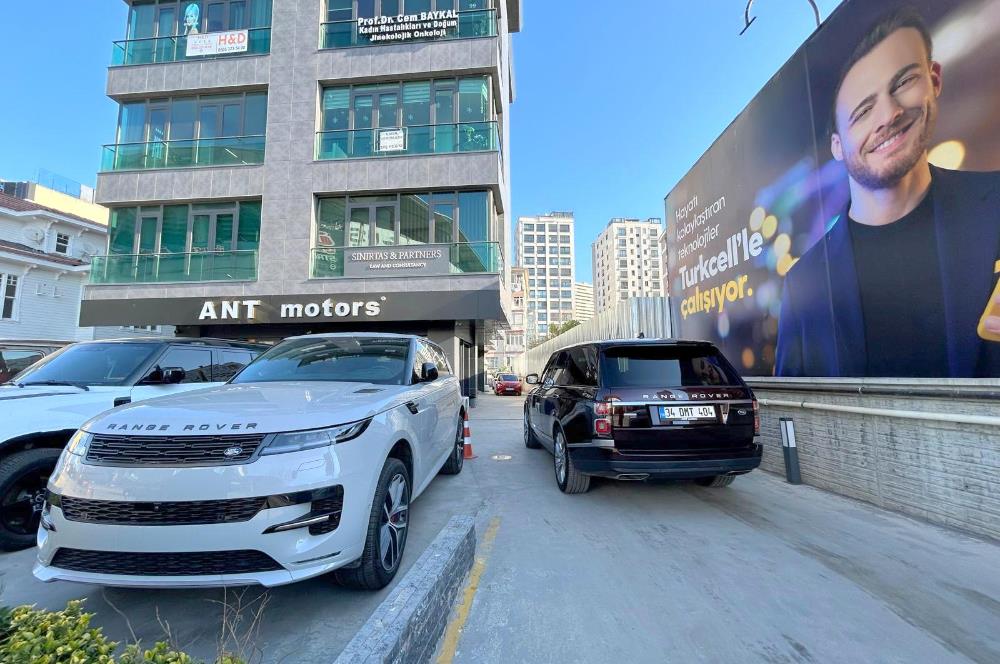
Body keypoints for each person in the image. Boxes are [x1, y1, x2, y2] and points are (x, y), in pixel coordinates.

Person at [775, 7, 1000, 378]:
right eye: (863, 111)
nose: (888, 114)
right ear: (837, 145)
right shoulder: (804, 284)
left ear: (934, 80)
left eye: (903, 83)